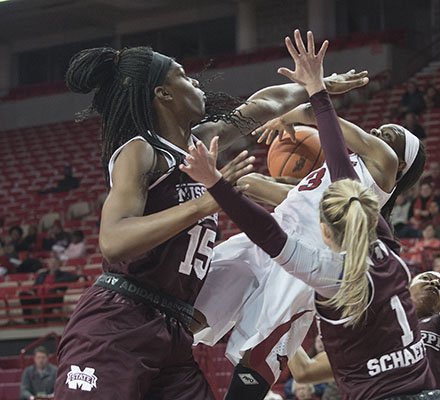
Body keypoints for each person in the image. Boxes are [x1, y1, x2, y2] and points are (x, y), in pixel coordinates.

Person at [54, 38, 367, 400]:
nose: (197, 83)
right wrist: (206, 203)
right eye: (184, 77)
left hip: (173, 329)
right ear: (163, 94)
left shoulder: (201, 143)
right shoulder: (141, 151)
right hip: (119, 321)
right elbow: (113, 240)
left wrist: (316, 87)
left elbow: (264, 105)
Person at [183, 30, 440, 399]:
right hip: (276, 230)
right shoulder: (344, 166)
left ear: (400, 164)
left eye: (391, 137)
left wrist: (314, 93)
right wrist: (286, 126)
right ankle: (152, 363)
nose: (380, 132)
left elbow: (328, 125)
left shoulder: (379, 169)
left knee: (263, 342)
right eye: (382, 129)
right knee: (196, 304)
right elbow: (302, 189)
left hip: (314, 256)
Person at [262, 157, 440, 400]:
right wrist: (279, 314)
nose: (436, 283)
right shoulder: (373, 327)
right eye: (428, 277)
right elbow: (304, 371)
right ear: (405, 287)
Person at [19, 253, 82, 323]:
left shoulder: (64, 274)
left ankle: (43, 320)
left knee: (50, 296)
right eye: (51, 262)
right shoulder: (42, 275)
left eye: (54, 263)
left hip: (54, 295)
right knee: (23, 294)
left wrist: (79, 274)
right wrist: (33, 291)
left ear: (58, 264)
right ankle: (28, 319)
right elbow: (35, 286)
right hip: (40, 296)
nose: (52, 264)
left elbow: (75, 278)